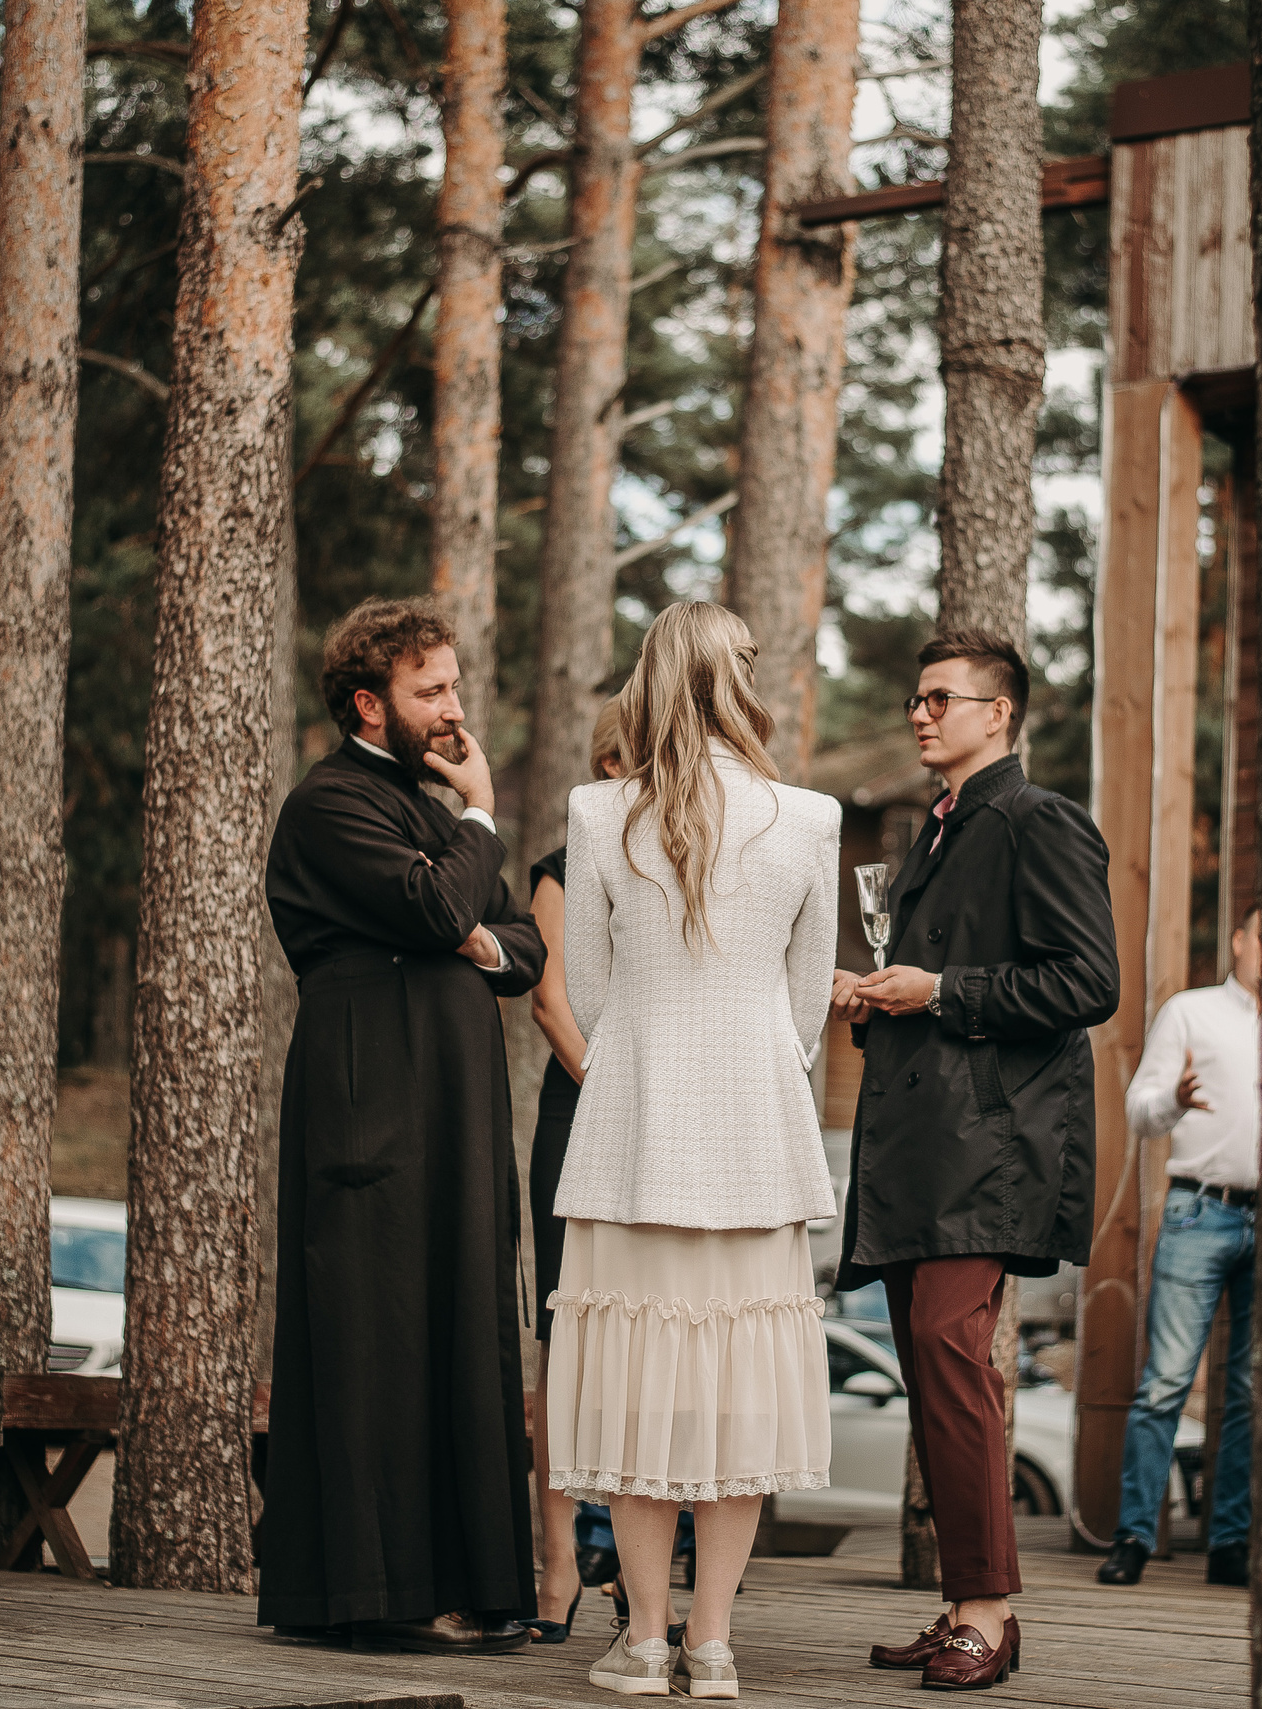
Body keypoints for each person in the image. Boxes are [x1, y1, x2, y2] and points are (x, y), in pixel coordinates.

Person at [542, 601, 840, 1701]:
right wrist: (748, 1058)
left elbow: (592, 985)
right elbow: (806, 1007)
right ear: (737, 681)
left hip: (631, 1132)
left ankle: (646, 1639)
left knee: (635, 1395)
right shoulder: (809, 817)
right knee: (737, 1400)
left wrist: (655, 1053)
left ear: (651, 680)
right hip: (758, 1133)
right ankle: (712, 1643)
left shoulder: (595, 810)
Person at [257, 598, 546, 1654]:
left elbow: (520, 948)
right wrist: (476, 821)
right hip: (369, 1101)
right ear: (369, 702)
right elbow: (436, 911)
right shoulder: (329, 804)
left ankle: (474, 1584)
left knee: (462, 1324)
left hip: (457, 1111)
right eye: (433, 691)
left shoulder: (425, 811)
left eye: (455, 686)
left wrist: (467, 914)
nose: (453, 708)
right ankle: (374, 1591)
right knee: (376, 1335)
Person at [834, 631, 1119, 1690]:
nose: (919, 712)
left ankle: (989, 1616)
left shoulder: (1038, 821)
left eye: (941, 698)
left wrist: (942, 991)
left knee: (953, 1369)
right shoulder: (939, 832)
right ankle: (961, 1601)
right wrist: (878, 992)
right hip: (920, 1147)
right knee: (931, 1371)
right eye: (914, 696)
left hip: (989, 1152)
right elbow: (936, 978)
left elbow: (1089, 982)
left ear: (998, 713)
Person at [1100, 906, 1262, 1591]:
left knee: (1251, 1390)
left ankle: (1231, 1541)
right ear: (1239, 938)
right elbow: (1139, 1108)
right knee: (1166, 1381)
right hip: (1201, 1209)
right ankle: (1134, 1535)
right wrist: (1175, 1097)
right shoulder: (1192, 1012)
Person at [520, 697, 630, 1645]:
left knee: (651, 1334)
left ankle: (639, 1565)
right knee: (567, 1349)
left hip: (660, 1124)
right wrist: (611, 1090)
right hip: (583, 1113)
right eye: (622, 766)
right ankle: (557, 1561)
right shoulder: (560, 871)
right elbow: (552, 1003)